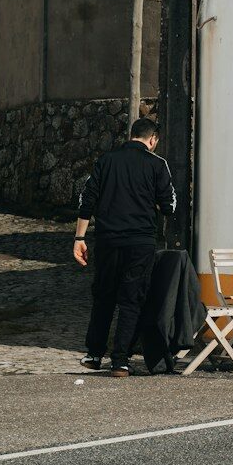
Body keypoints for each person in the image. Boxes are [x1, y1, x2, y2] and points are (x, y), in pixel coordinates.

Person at [74, 117, 176, 377]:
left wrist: (79, 239)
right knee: (132, 299)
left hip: (108, 240)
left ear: (131, 135)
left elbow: (87, 199)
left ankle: (94, 354)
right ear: (153, 139)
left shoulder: (106, 161)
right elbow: (169, 205)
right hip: (140, 242)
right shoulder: (157, 164)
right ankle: (120, 360)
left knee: (103, 296)